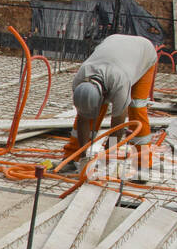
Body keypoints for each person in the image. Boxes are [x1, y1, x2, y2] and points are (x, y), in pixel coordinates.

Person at [66, 34, 158, 163]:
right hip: (113, 44)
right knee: (90, 109)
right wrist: (83, 157)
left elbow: (118, 126)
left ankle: (142, 163)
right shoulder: (80, 79)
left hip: (144, 53)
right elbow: (82, 119)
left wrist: (107, 158)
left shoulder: (120, 81)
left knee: (136, 108)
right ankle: (73, 156)